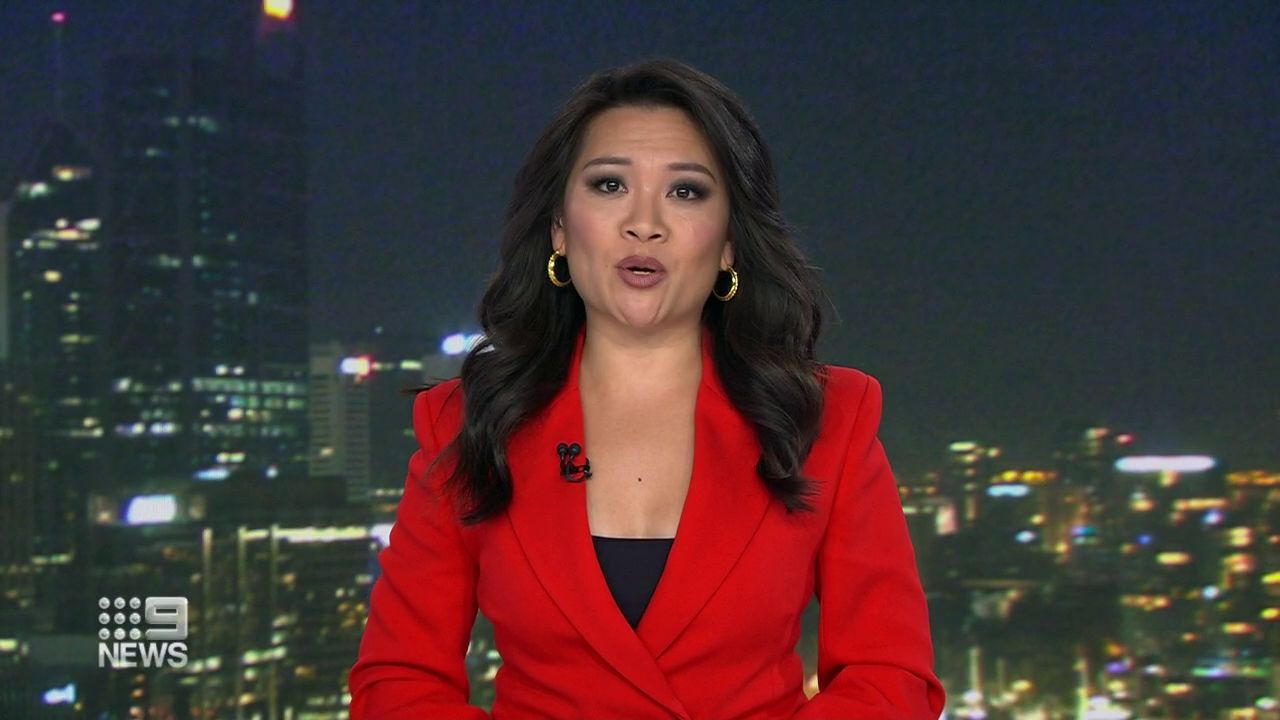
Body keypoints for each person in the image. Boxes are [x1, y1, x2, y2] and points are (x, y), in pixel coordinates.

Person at [348, 57, 946, 719]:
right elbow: (398, 683)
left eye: (686, 192)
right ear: (558, 227)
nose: (644, 222)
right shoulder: (466, 422)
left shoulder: (826, 418)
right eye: (609, 184)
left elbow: (889, 678)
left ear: (729, 242)